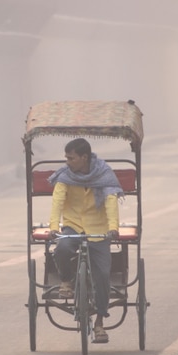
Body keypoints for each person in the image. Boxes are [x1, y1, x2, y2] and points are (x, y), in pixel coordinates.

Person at [48, 138, 122, 344]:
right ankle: (66, 280)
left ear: (84, 157)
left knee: (103, 274)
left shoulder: (104, 174)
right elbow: (57, 201)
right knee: (62, 249)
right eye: (66, 158)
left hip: (99, 229)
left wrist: (113, 228)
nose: (68, 162)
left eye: (71, 158)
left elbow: (111, 200)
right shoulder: (65, 175)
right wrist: (53, 227)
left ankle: (100, 322)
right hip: (73, 225)